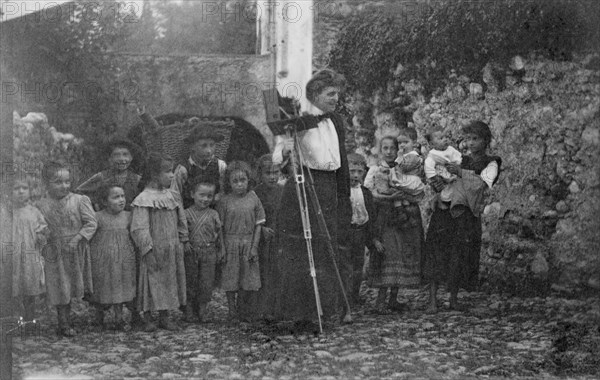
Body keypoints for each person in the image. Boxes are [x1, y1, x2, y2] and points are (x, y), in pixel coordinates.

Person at [272, 69, 351, 329]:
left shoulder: (335, 120)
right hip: (306, 187)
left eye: (337, 93)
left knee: (329, 248)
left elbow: (341, 160)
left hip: (331, 185)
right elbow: (278, 156)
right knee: (303, 250)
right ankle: (302, 312)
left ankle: (329, 309)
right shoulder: (300, 121)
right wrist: (286, 149)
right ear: (315, 94)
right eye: (331, 94)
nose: (335, 98)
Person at [424, 121, 502, 312]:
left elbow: (485, 181)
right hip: (445, 211)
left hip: (466, 214)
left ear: (486, 141)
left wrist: (461, 173)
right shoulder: (459, 158)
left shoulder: (491, 162)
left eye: (476, 139)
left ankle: (453, 298)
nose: (471, 143)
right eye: (468, 139)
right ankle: (432, 300)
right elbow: (440, 177)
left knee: (459, 255)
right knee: (437, 252)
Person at [365, 133, 425, 313]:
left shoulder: (405, 169)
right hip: (385, 218)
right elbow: (369, 194)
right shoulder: (375, 170)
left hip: (404, 217)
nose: (390, 152)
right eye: (385, 148)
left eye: (393, 148)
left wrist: (405, 195)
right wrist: (389, 197)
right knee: (389, 255)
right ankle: (379, 302)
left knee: (401, 254)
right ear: (379, 150)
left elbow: (417, 190)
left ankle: (393, 299)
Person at [38, 161, 97, 337]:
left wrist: (78, 238)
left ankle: (96, 316)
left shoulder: (80, 201)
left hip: (75, 250)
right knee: (60, 287)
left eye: (67, 181)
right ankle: (63, 322)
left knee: (74, 286)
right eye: (58, 182)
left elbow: (91, 223)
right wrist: (43, 235)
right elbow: (39, 227)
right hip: (54, 253)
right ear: (46, 184)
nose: (64, 186)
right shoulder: (41, 205)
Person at [130, 153, 188, 331]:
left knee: (169, 281)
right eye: (167, 172)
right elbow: (139, 227)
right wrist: (146, 249)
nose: (172, 176)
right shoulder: (144, 198)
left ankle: (165, 316)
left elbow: (181, 219)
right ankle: (148, 317)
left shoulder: (172, 196)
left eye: (172, 172)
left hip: (171, 247)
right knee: (151, 281)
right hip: (153, 249)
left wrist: (182, 239)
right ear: (154, 174)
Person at [216, 161, 265, 321]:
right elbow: (220, 228)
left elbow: (259, 224)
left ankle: (245, 310)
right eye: (235, 181)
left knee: (247, 277)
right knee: (231, 278)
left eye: (242, 180)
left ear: (248, 180)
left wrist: (254, 247)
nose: (239, 185)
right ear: (229, 183)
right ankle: (231, 310)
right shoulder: (224, 201)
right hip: (231, 243)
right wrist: (222, 248)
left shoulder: (254, 198)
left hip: (248, 242)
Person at [88, 184, 136, 331]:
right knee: (102, 286)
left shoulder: (128, 216)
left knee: (120, 286)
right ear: (104, 201)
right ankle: (98, 317)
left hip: (123, 258)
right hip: (102, 258)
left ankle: (119, 318)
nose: (121, 200)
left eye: (123, 196)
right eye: (116, 197)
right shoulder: (97, 217)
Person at [182, 180, 225, 323]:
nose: (205, 199)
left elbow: (219, 234)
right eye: (202, 195)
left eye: (209, 196)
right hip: (191, 252)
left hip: (209, 251)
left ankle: (202, 311)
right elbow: (181, 231)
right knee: (191, 281)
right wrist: (185, 242)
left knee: (206, 282)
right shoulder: (186, 213)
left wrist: (221, 250)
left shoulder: (213, 214)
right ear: (192, 194)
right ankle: (188, 311)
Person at [345, 153, 384, 305]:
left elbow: (370, 217)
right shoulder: (341, 193)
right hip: (345, 233)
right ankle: (343, 297)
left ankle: (354, 295)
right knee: (345, 266)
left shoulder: (366, 193)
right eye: (352, 171)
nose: (355, 175)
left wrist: (373, 239)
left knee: (357, 266)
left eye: (359, 172)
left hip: (360, 233)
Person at [12, 178, 48, 322]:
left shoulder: (34, 211)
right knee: (13, 287)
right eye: (16, 188)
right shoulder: (7, 212)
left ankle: (29, 319)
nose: (21, 191)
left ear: (30, 191)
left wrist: (41, 235)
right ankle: (15, 319)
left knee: (29, 286)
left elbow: (43, 229)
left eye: (24, 188)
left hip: (30, 254)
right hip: (11, 256)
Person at [253, 154, 284, 320]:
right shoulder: (256, 193)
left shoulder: (283, 191)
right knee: (264, 273)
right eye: (268, 173)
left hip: (279, 238)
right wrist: (262, 228)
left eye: (275, 172)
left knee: (278, 271)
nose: (272, 177)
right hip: (262, 240)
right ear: (260, 174)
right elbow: (251, 216)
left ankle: (277, 308)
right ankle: (263, 309)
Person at [76, 137, 142, 211]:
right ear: (110, 158)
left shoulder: (137, 179)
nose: (122, 159)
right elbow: (79, 192)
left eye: (125, 155)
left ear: (131, 157)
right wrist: (95, 205)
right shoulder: (102, 176)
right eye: (117, 155)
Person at [173, 125, 227, 209]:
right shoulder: (183, 169)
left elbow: (224, 192)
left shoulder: (220, 166)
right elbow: (176, 197)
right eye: (204, 146)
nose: (209, 151)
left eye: (212, 145)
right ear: (192, 147)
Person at [424, 125, 463, 210]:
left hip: (452, 173)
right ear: (431, 144)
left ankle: (455, 201)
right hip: (439, 176)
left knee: (453, 189)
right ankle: (439, 202)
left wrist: (457, 164)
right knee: (440, 190)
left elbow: (458, 158)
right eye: (441, 138)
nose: (445, 139)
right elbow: (428, 167)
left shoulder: (450, 149)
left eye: (446, 137)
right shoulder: (432, 155)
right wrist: (435, 177)